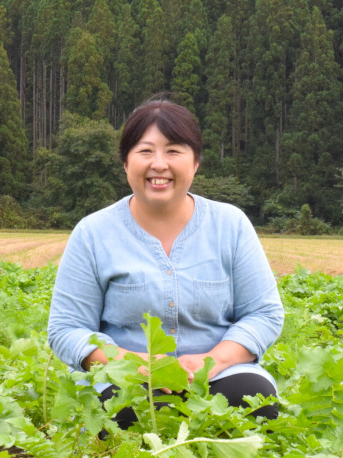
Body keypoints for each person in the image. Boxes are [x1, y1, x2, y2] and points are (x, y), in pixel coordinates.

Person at [47, 98, 284, 428]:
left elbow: (264, 313)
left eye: (173, 151)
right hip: (127, 377)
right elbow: (66, 328)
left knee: (252, 398)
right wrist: (133, 363)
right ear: (125, 163)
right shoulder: (92, 233)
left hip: (219, 374)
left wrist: (210, 361)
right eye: (145, 151)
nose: (159, 164)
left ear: (195, 162)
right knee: (123, 411)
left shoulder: (231, 225)